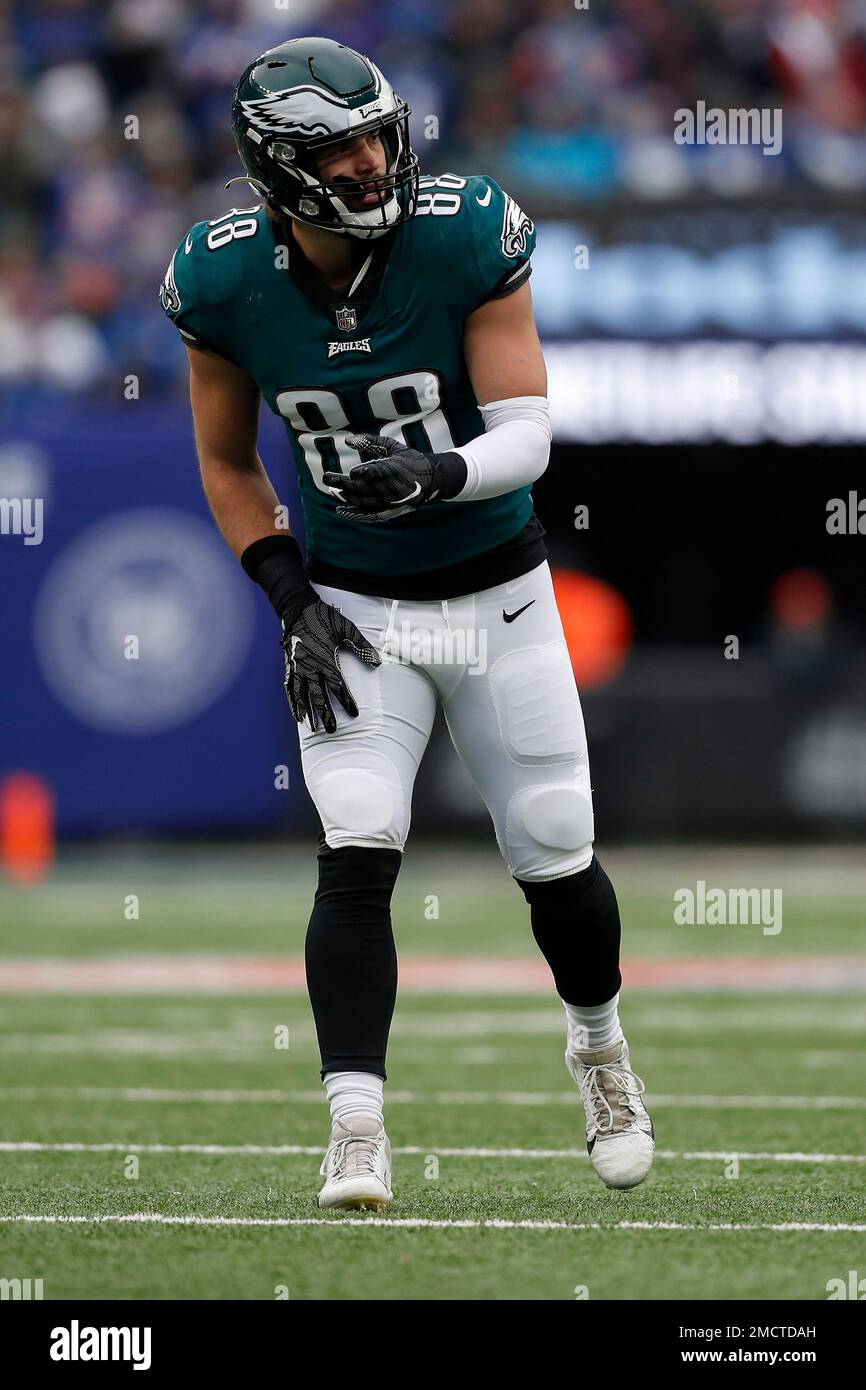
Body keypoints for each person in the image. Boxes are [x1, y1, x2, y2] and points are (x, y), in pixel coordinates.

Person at [160, 35, 654, 1211]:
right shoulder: (222, 279)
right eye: (342, 149)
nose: (376, 163)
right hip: (355, 608)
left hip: (497, 592)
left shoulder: (461, 230)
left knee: (554, 852)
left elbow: (527, 432)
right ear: (280, 171)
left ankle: (599, 1049)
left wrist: (438, 474)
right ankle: (356, 1126)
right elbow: (228, 467)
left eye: (380, 136)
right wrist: (288, 596)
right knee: (357, 846)